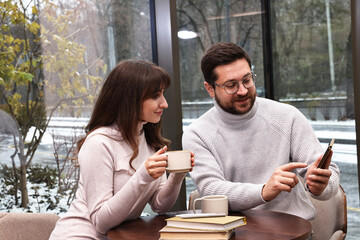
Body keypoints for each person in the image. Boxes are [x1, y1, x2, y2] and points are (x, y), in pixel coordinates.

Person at [182, 42, 340, 220]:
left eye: (247, 80)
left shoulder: (287, 117)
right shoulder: (197, 133)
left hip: (293, 233)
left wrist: (321, 185)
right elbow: (211, 189)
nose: (242, 91)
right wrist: (264, 191)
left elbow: (330, 176)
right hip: (232, 233)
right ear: (210, 88)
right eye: (231, 85)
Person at [50, 59, 195, 239]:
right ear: (130, 99)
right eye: (155, 96)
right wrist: (142, 176)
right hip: (81, 235)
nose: (164, 103)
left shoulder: (148, 140)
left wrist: (177, 175)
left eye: (163, 94)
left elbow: (159, 205)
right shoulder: (99, 142)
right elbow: (100, 222)